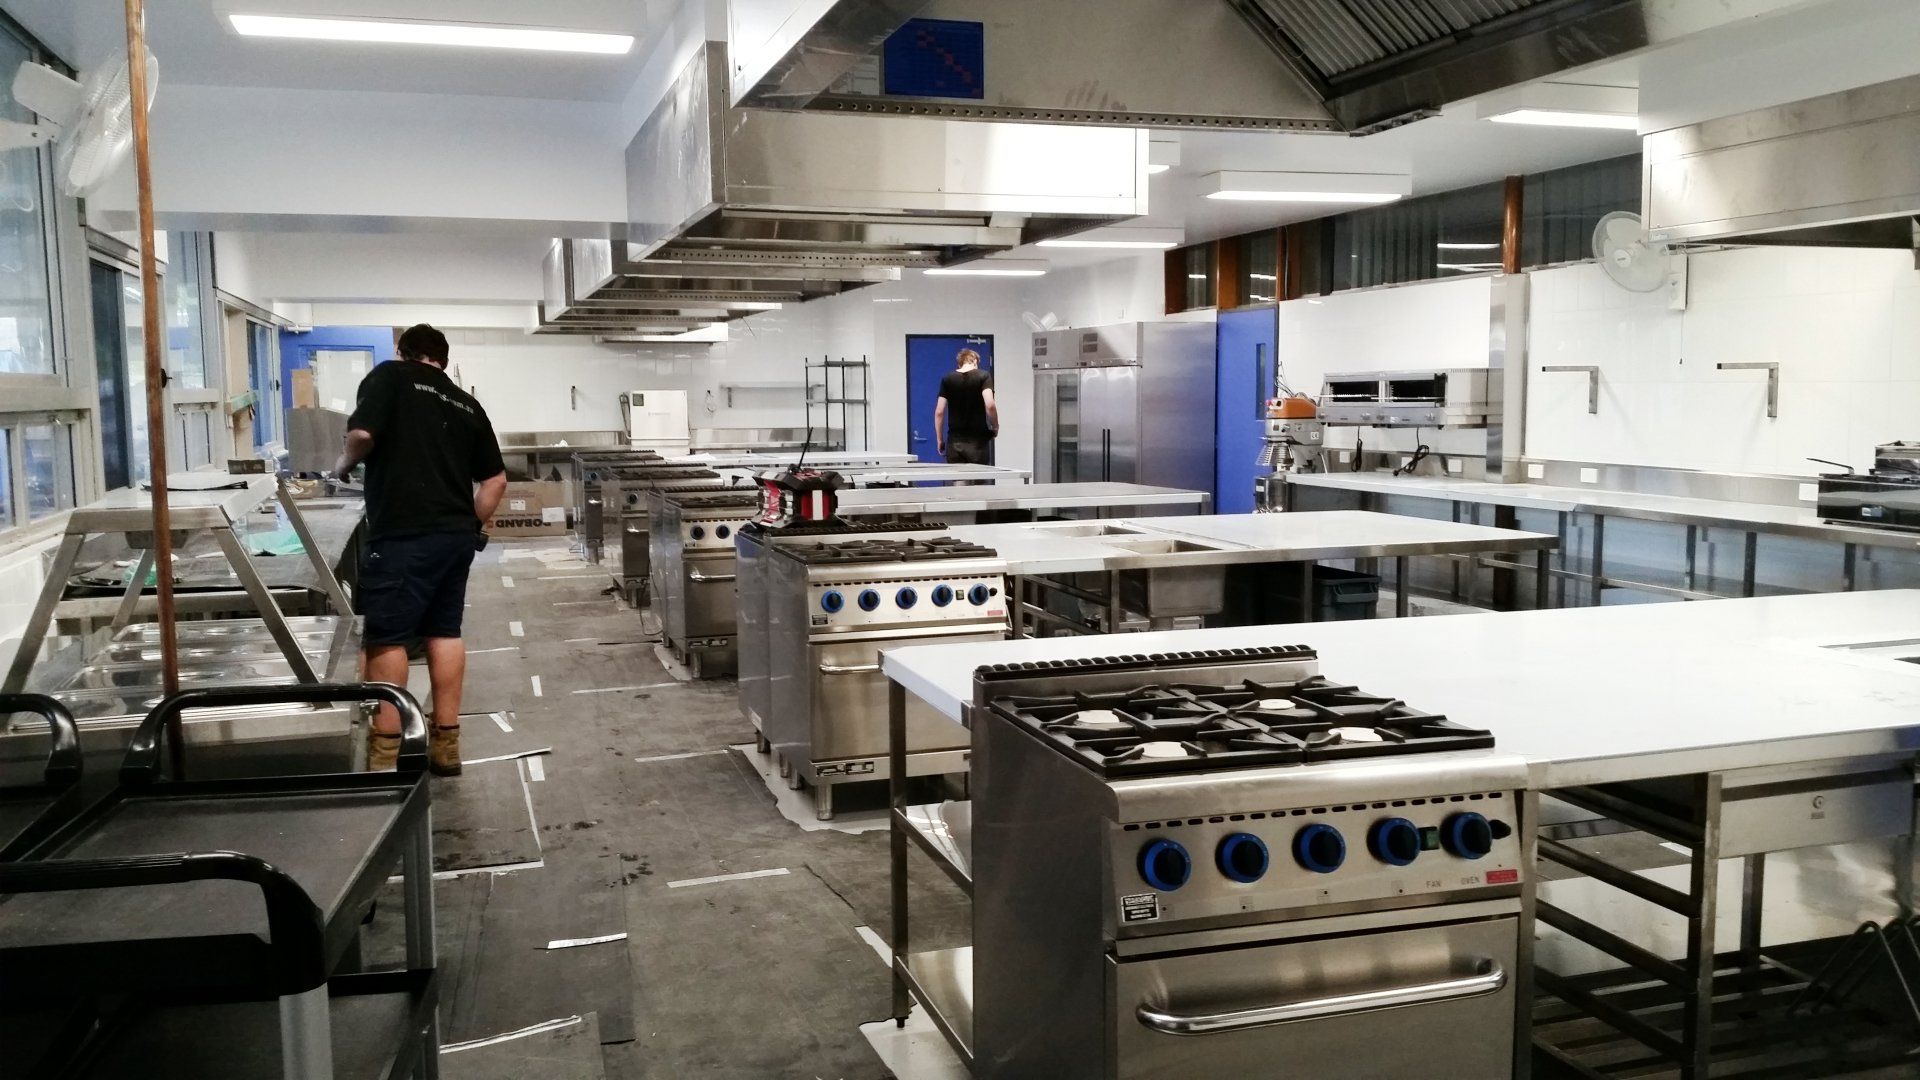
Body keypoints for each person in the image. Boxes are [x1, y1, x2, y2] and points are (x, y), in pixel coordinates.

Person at [334, 324, 508, 777]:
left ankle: (387, 748)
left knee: (388, 637)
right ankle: (446, 744)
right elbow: (495, 481)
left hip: (402, 534)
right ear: (443, 361)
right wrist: (470, 525)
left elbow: (363, 435)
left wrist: (342, 465)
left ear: (403, 351)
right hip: (453, 539)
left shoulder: (390, 376)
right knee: (444, 630)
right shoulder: (466, 403)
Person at [934, 347, 997, 466]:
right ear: (974, 361)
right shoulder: (984, 376)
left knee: (959, 480)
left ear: (959, 363)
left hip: (955, 441)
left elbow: (939, 411)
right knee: (980, 481)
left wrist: (940, 439)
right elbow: (990, 404)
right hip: (977, 441)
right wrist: (995, 426)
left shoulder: (947, 379)